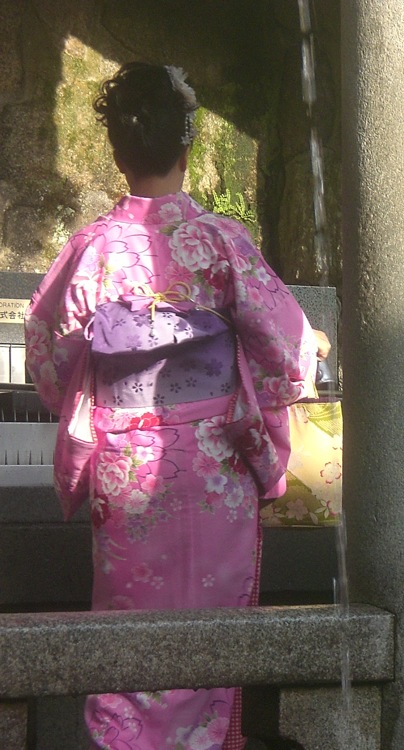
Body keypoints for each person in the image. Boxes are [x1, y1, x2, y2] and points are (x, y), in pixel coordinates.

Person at [24, 63, 317, 750]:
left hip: (127, 470)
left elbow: (48, 361)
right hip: (214, 467)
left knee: (129, 632)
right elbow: (289, 353)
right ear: (186, 148)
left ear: (119, 152)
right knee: (212, 631)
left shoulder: (91, 250)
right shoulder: (219, 242)